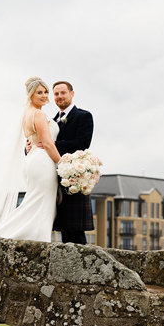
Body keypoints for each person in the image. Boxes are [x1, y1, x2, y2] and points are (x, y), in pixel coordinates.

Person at [0, 77, 61, 243]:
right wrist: (62, 164)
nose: (44, 95)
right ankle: (23, 237)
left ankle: (35, 237)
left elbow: (33, 139)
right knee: (40, 202)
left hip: (33, 160)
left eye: (46, 92)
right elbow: (47, 143)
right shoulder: (38, 114)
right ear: (31, 94)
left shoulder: (27, 113)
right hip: (43, 162)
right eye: (39, 92)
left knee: (35, 201)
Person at [51, 81, 94, 245]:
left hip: (75, 176)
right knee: (64, 228)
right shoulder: (52, 121)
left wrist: (53, 146)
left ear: (72, 94)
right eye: (56, 94)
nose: (59, 97)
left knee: (76, 229)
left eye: (63, 93)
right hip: (57, 178)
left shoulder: (84, 116)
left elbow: (83, 143)